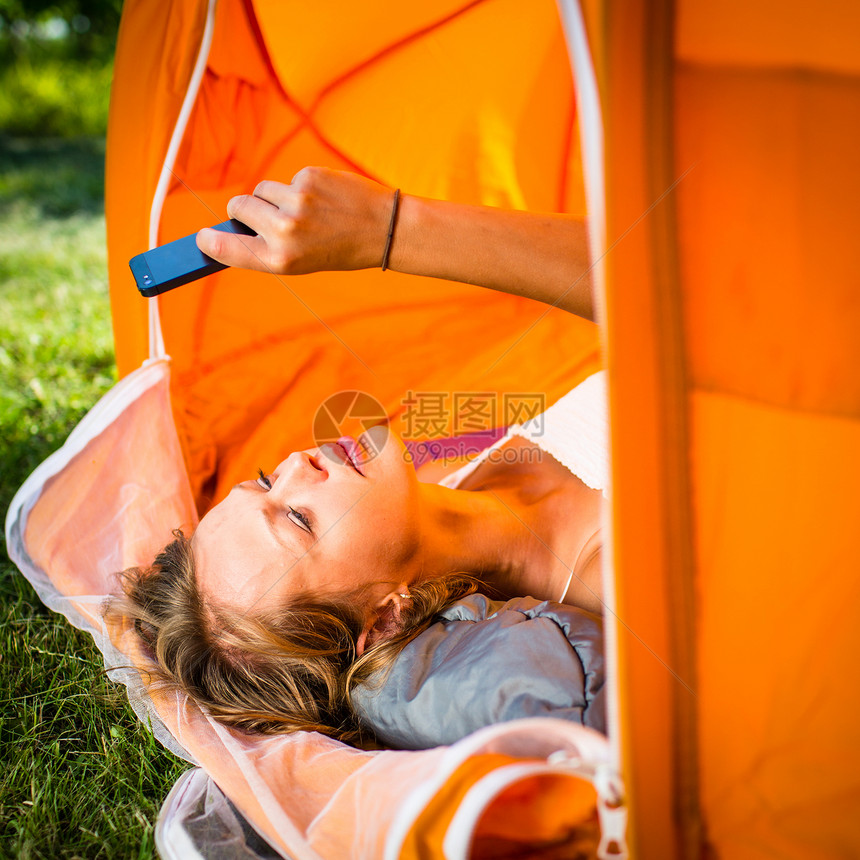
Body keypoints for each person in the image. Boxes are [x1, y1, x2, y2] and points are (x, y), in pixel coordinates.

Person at [116, 166, 605, 744]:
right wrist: (388, 229)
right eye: (299, 519)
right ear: (384, 619)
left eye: (266, 481)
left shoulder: (441, 462)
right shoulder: (614, 571)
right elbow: (705, 288)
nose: (299, 465)